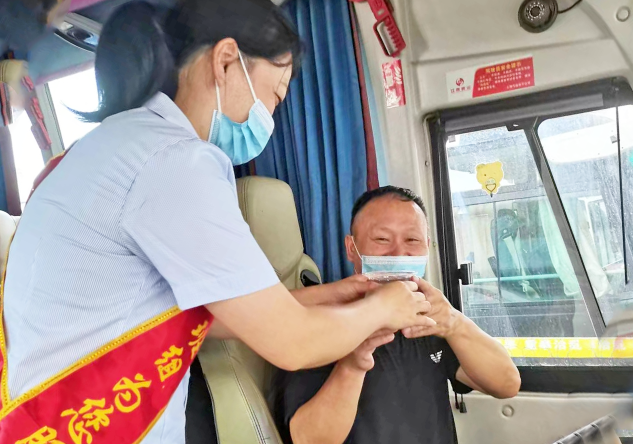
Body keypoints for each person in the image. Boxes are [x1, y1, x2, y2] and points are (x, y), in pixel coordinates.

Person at [0, 2, 435, 444]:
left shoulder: (113, 146)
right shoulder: (175, 161)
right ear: (226, 61)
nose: (271, 115)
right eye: (275, 94)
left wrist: (333, 294)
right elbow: (294, 344)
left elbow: (208, 315)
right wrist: (387, 307)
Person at [270, 186, 521, 444]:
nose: (399, 253)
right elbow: (308, 438)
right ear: (351, 248)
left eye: (412, 240)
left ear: (427, 246)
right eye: (382, 239)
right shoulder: (320, 321)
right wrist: (353, 364)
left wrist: (455, 324)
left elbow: (507, 384)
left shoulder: (432, 318)